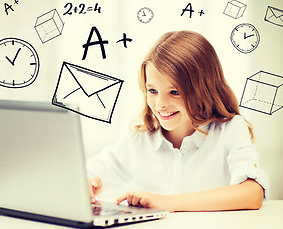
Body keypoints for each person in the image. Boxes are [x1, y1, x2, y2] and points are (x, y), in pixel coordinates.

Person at [87, 30, 269, 212]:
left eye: (174, 92)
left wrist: (170, 203)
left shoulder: (230, 130)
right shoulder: (138, 138)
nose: (160, 104)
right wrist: (88, 184)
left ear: (204, 90)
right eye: (152, 91)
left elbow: (252, 194)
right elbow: (89, 173)